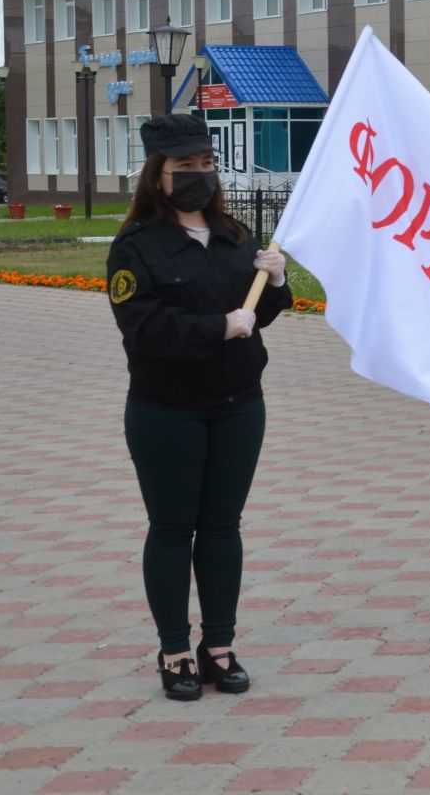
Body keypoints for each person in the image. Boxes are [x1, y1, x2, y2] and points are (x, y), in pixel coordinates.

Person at [105, 115, 292, 700]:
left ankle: (219, 645)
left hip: (239, 406)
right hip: (167, 410)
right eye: (184, 168)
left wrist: (277, 284)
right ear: (157, 176)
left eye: (207, 166)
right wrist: (219, 326)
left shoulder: (234, 236)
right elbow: (145, 330)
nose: (199, 176)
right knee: (171, 529)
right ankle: (175, 650)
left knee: (221, 527)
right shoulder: (135, 247)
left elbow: (257, 313)